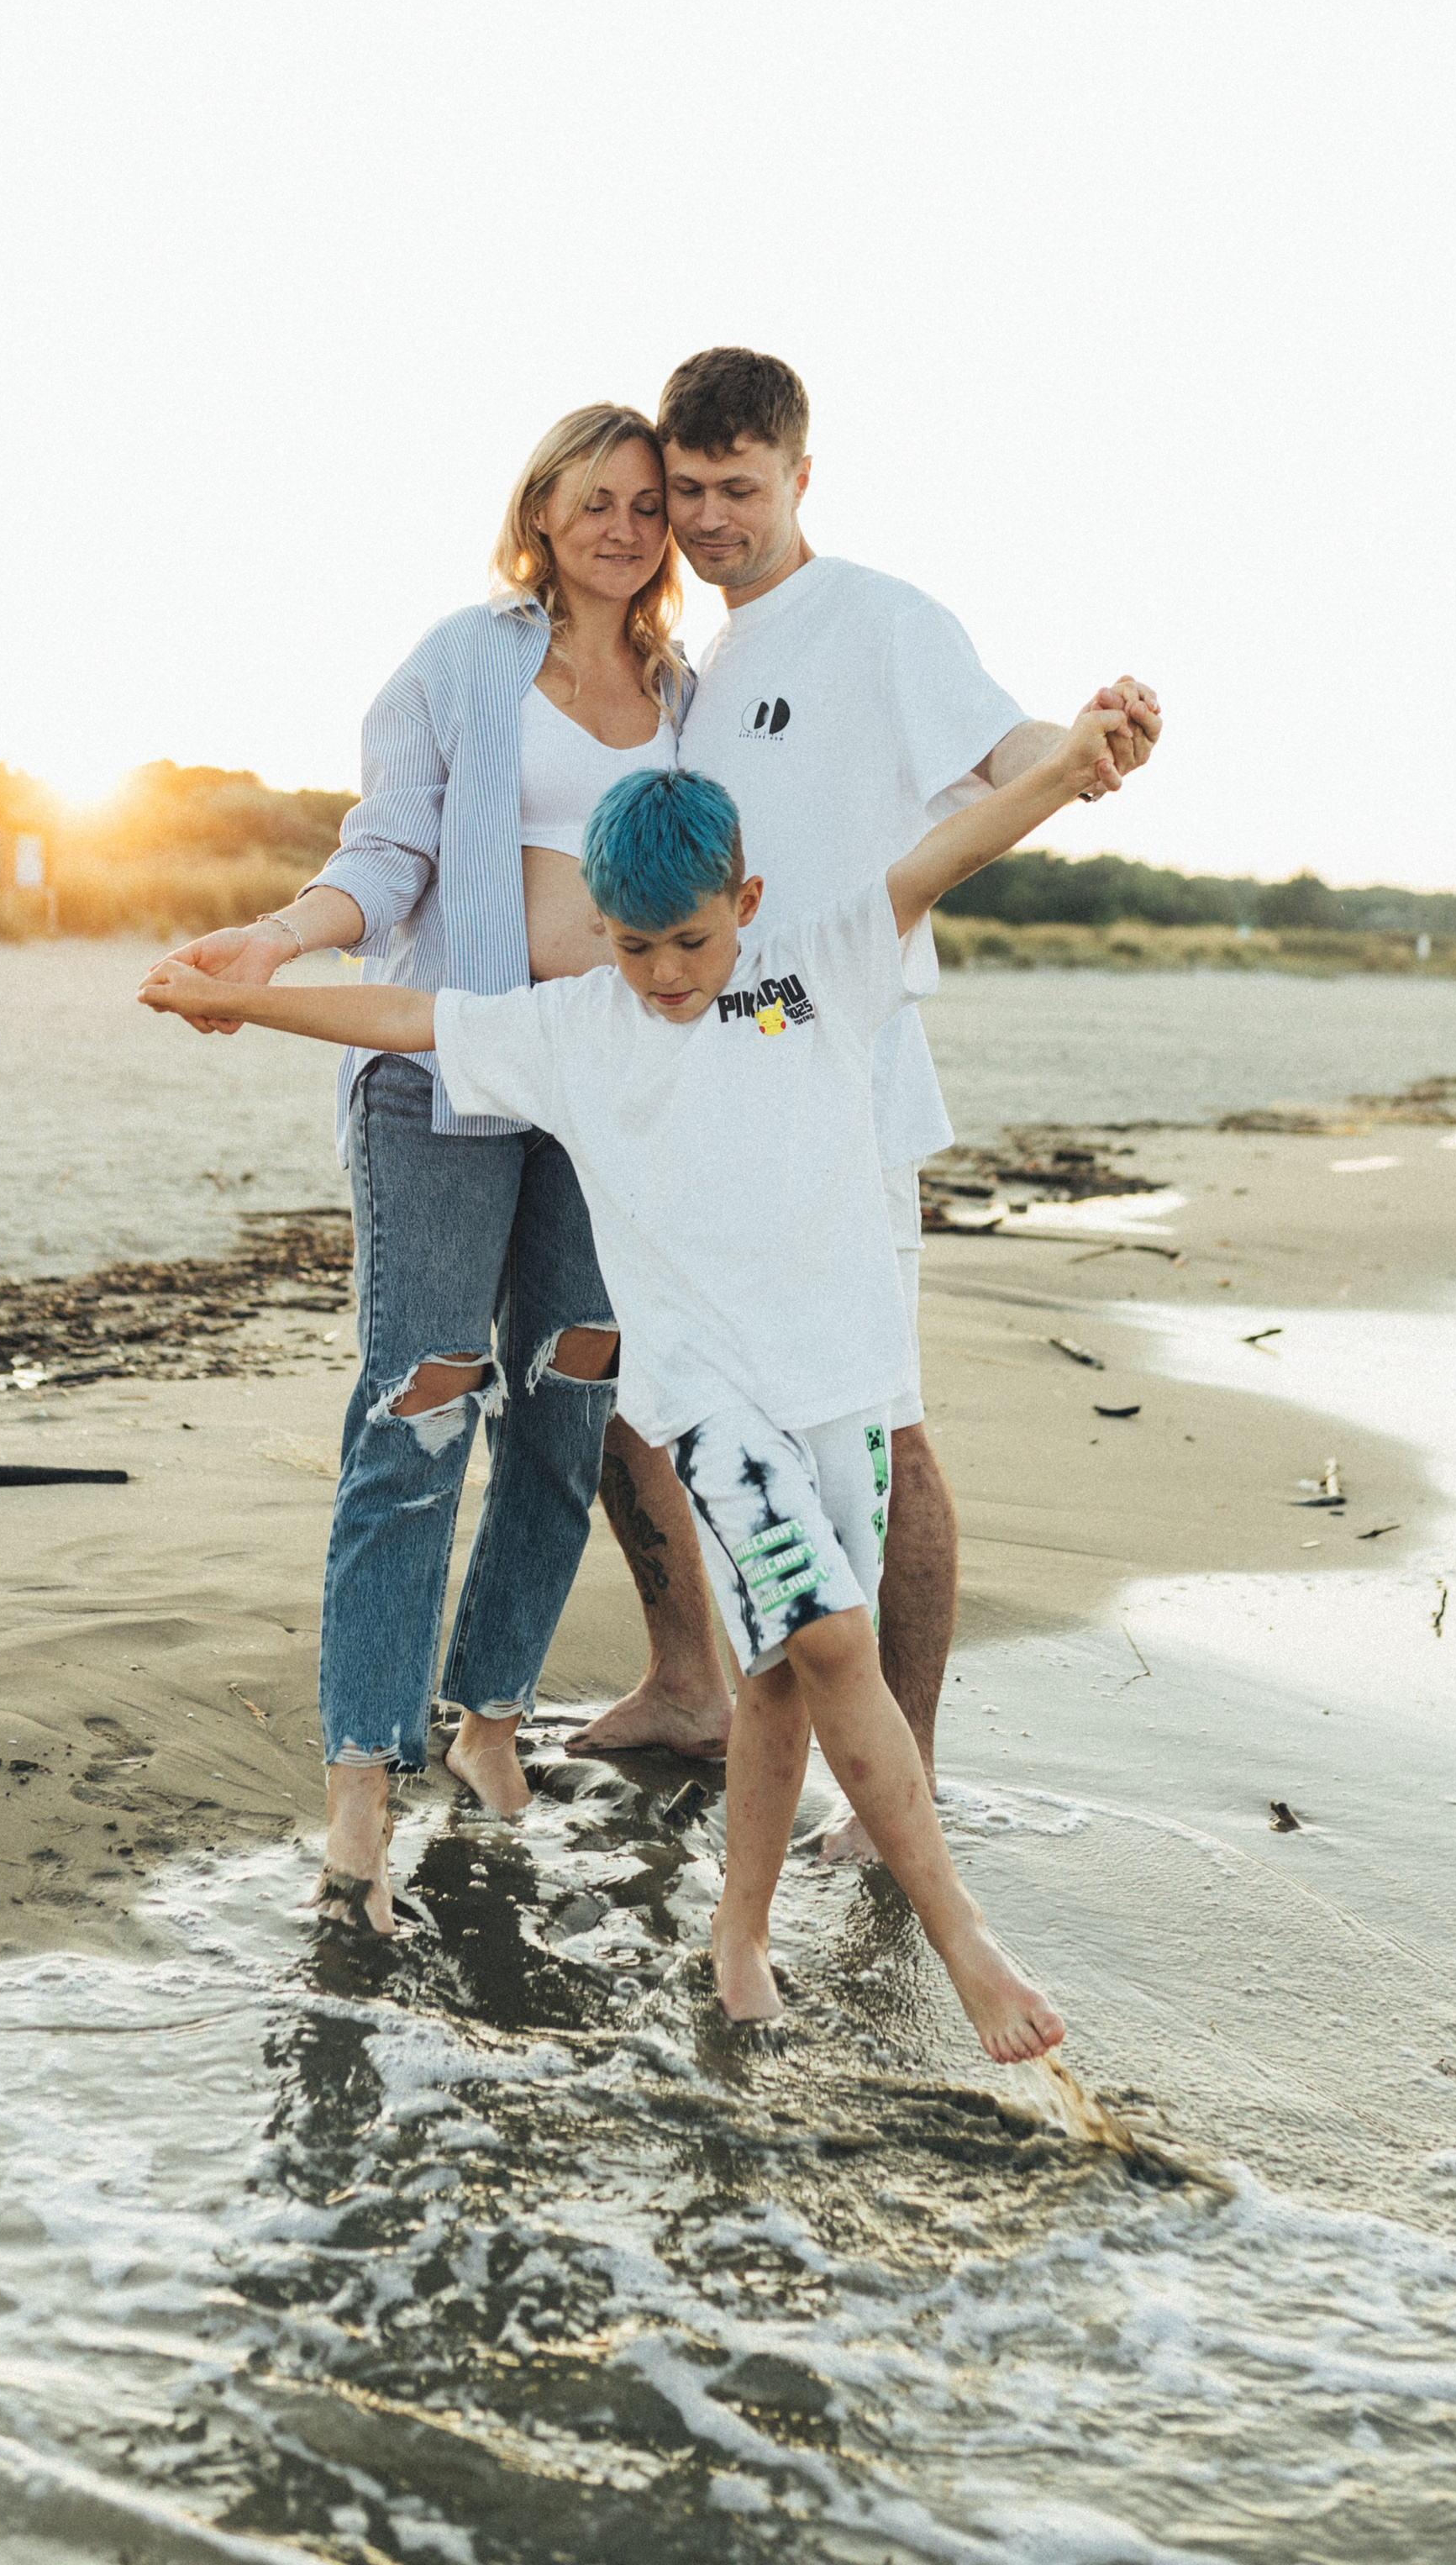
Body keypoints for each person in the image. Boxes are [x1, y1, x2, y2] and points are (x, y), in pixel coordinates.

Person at [137, 703, 1134, 2060]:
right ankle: (967, 1947)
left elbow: (948, 854)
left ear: (749, 901)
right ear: (597, 925)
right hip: (713, 1407)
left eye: (690, 940)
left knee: (782, 1680)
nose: (664, 973)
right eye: (631, 943)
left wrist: (1074, 769)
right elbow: (412, 1013)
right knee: (839, 1644)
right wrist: (244, 996)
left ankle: (738, 1940)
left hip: (841, 1387)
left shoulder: (816, 963)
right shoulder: (579, 1030)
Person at [561, 347, 1162, 1857]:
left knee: (877, 1425)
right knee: (657, 1391)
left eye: (738, 490)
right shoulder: (701, 666)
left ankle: (911, 1779)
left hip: (842, 1090)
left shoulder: (880, 622)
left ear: (801, 477)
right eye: (687, 491)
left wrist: (1087, 753)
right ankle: (692, 1682)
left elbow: (1005, 750)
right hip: (699, 1099)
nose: (708, 521)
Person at [154, 403, 689, 1920]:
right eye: (595, 498)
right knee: (423, 1405)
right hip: (444, 1077)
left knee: (574, 1390)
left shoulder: (687, 693)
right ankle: (362, 1787)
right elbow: (387, 851)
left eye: (647, 505)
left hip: (604, 1094)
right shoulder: (466, 659)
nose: (624, 526)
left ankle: (493, 1715)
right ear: (543, 508)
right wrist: (276, 938)